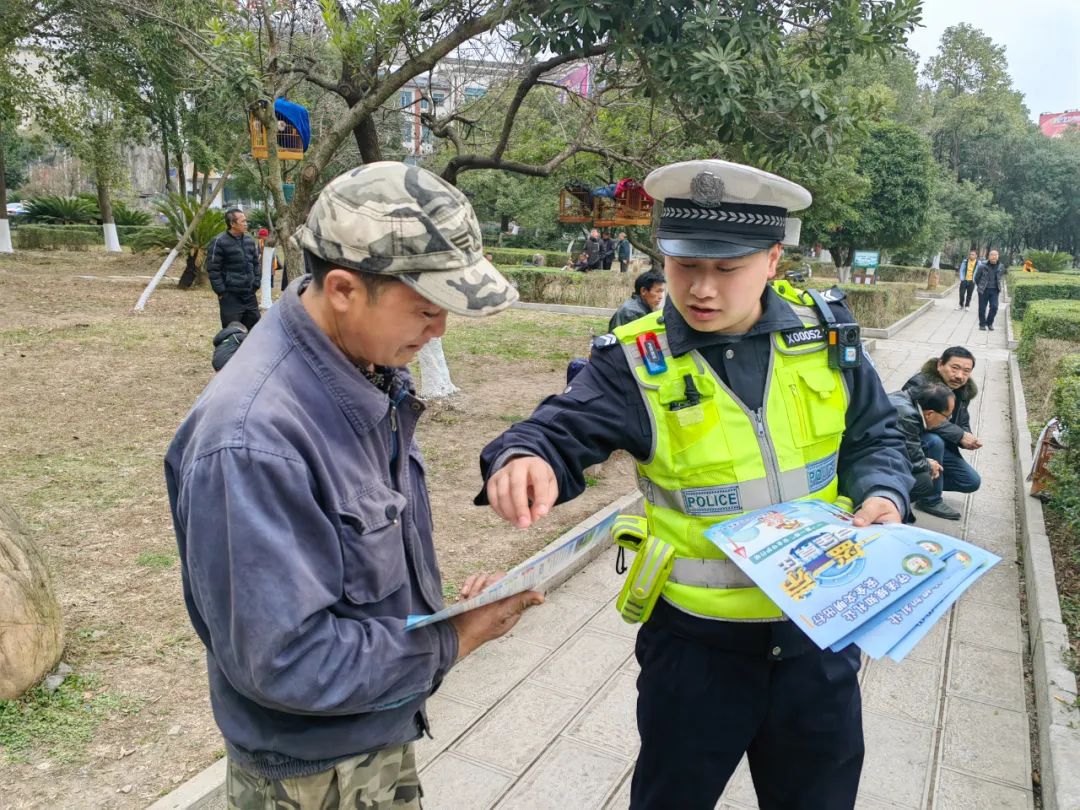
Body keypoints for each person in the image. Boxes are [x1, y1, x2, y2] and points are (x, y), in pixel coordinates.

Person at [477, 159, 913, 810]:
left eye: (726, 268)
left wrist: (885, 494)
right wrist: (523, 457)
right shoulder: (633, 360)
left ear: (773, 260)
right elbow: (557, 429)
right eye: (684, 266)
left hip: (817, 642)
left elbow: (877, 433)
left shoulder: (824, 337)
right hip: (695, 655)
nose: (701, 288)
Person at [165, 163, 544, 810]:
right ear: (342, 288)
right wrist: (453, 639)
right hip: (312, 777)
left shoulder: (361, 370)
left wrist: (439, 614)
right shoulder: (255, 438)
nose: (439, 330)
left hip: (371, 729)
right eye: (425, 309)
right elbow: (284, 661)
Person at [902, 346, 983, 508]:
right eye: (955, 368)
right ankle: (930, 500)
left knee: (971, 482)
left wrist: (968, 436)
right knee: (934, 440)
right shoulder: (921, 384)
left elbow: (962, 419)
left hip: (944, 444)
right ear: (940, 365)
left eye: (966, 371)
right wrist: (959, 435)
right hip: (915, 442)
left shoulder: (963, 389)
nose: (959, 376)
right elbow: (922, 419)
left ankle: (915, 484)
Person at [888, 383, 960, 519]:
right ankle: (890, 507)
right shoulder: (907, 416)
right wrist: (928, 464)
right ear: (930, 414)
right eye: (947, 417)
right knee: (924, 481)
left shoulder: (905, 398)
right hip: (864, 461)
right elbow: (912, 460)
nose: (947, 421)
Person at [207, 209, 261, 330]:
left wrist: (256, 283)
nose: (246, 224)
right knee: (232, 332)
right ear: (232, 224)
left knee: (255, 331)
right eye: (243, 221)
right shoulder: (219, 242)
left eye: (246, 221)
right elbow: (213, 269)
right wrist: (221, 292)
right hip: (230, 296)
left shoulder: (249, 241)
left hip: (249, 295)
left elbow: (256, 263)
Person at [974, 248, 1006, 331]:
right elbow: (977, 278)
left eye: (996, 255)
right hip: (983, 290)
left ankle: (989, 323)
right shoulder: (982, 266)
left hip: (995, 290)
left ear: (998, 256)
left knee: (994, 307)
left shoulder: (1001, 266)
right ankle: (982, 324)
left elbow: (1000, 277)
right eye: (992, 255)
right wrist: (981, 286)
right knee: (982, 308)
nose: (994, 256)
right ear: (989, 256)